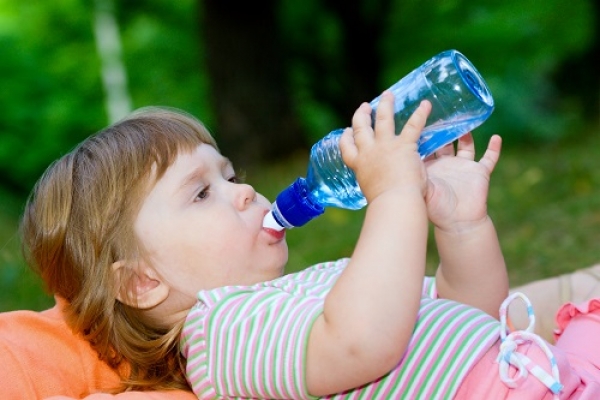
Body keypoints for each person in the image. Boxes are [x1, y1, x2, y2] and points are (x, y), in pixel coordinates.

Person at [12, 92, 600, 399]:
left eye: (230, 174)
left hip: (543, 373)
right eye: (201, 195)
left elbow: (470, 314)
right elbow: (363, 345)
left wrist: (462, 227)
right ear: (142, 281)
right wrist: (393, 195)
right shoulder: (219, 337)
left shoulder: (315, 289)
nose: (243, 193)